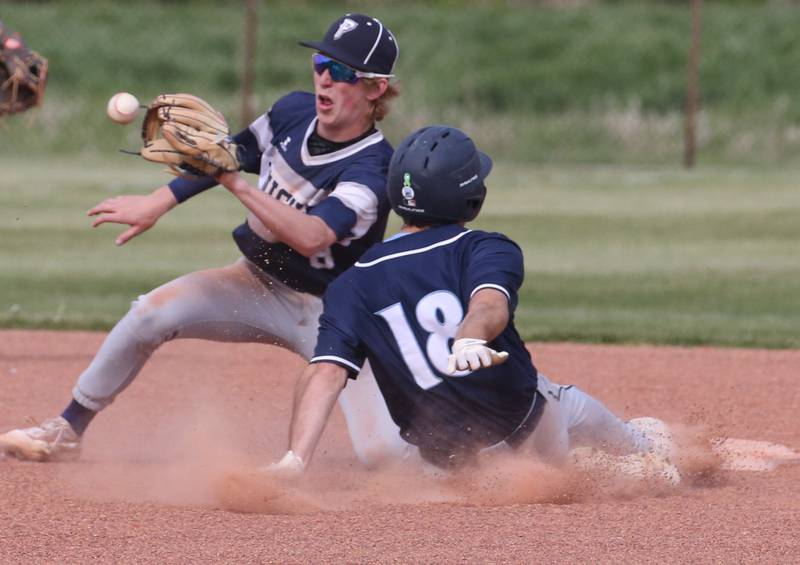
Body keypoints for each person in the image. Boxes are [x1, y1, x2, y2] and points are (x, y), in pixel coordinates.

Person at [0, 13, 409, 465]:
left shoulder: (372, 169)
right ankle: (67, 429)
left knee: (385, 455)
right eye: (321, 64)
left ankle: (470, 453)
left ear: (376, 89)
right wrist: (159, 200)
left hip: (337, 316)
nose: (326, 79)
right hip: (255, 284)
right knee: (149, 315)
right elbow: (226, 155)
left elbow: (312, 237)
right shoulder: (291, 113)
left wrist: (235, 183)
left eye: (345, 72)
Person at [267, 126, 681, 484]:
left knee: (436, 459)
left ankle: (598, 460)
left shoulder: (349, 284)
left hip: (449, 469)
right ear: (471, 198)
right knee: (572, 406)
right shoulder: (482, 247)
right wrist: (468, 340)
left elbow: (325, 372)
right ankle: (641, 455)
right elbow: (488, 304)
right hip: (531, 430)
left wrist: (295, 458)